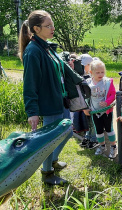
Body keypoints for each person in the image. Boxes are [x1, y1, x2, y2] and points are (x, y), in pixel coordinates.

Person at [19, 10, 83, 185]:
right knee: (50, 140)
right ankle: (47, 173)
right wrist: (32, 111)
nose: (52, 28)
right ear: (36, 28)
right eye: (48, 26)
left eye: (52, 24)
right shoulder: (33, 51)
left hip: (60, 100)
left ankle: (52, 161)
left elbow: (56, 71)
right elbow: (29, 85)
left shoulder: (46, 47)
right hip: (49, 104)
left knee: (67, 132)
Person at [83, 60, 117, 158]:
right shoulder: (88, 83)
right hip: (95, 111)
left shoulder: (107, 82)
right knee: (98, 130)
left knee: (109, 129)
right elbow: (85, 97)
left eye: (102, 72)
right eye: (97, 72)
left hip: (106, 111)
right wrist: (85, 108)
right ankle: (102, 146)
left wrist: (107, 102)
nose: (100, 74)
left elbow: (112, 94)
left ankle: (113, 147)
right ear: (91, 72)